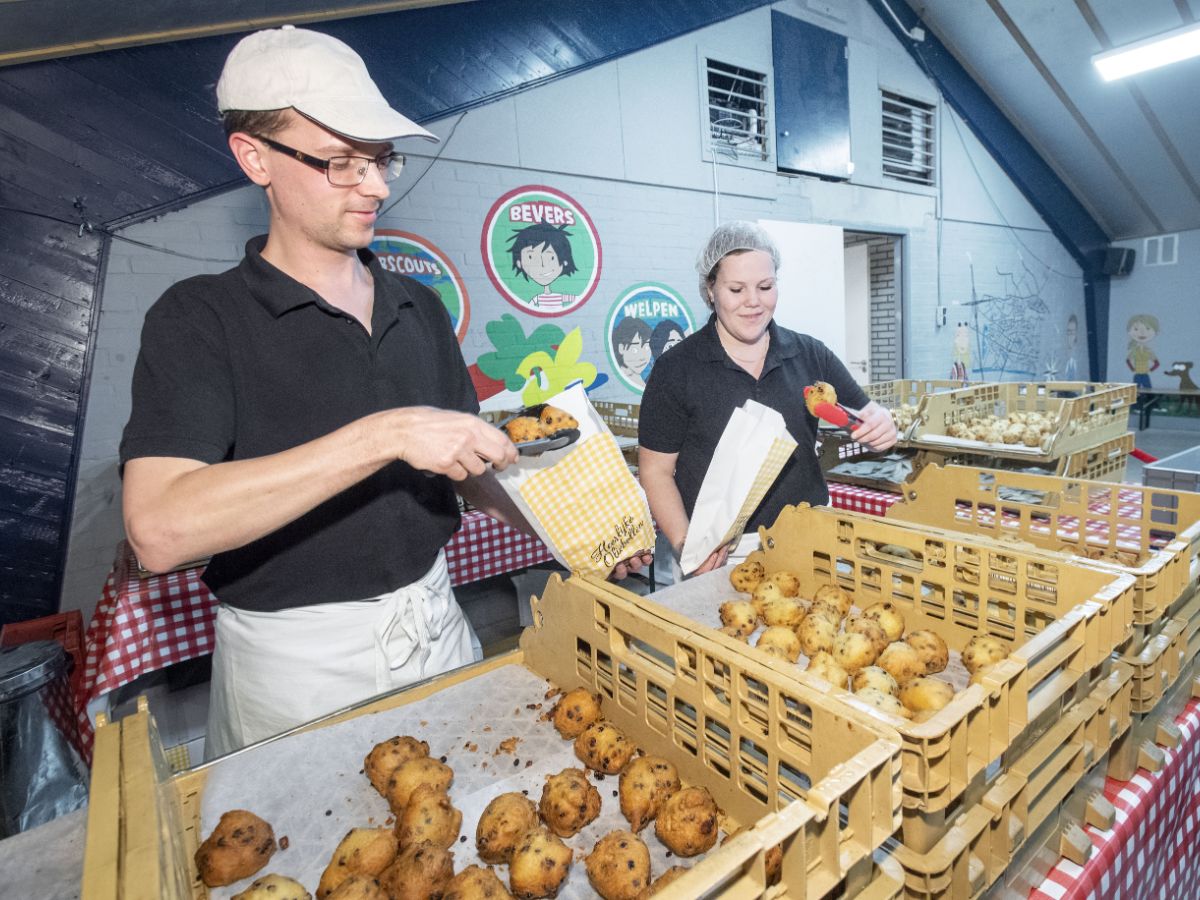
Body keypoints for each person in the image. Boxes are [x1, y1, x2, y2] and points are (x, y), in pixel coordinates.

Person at [119, 27, 644, 758]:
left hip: (438, 626)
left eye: (380, 160)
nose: (377, 185)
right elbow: (160, 528)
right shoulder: (200, 317)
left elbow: (471, 473)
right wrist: (384, 435)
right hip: (299, 669)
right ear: (254, 157)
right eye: (340, 162)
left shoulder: (417, 307)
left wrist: (578, 535)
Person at [638, 222, 897, 575]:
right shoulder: (677, 369)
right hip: (722, 551)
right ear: (710, 290)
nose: (753, 302)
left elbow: (866, 412)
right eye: (736, 289)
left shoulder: (809, 354)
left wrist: (882, 423)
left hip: (810, 538)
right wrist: (687, 545)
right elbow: (656, 471)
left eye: (765, 286)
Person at [508, 222, 579, 310]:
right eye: (531, 257)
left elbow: (576, 299)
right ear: (519, 263)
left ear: (565, 261)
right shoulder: (537, 299)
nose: (542, 265)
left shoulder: (559, 297)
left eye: (551, 258)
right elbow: (530, 307)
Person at [611, 316, 652, 388]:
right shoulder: (620, 381)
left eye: (646, 347)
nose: (642, 357)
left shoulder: (640, 382)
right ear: (621, 348)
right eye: (635, 350)